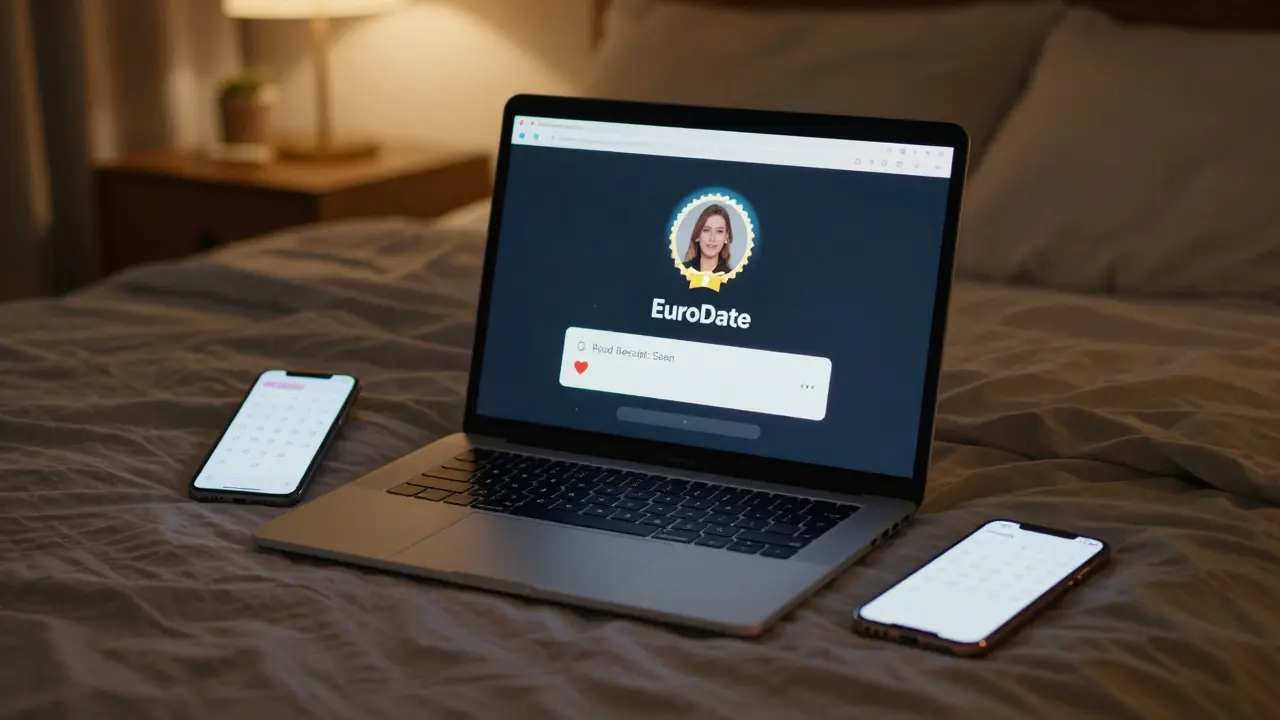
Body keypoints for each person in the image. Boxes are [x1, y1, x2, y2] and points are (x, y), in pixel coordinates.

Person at [682, 204, 734, 275]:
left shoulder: (732, 278)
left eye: (719, 231)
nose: (712, 238)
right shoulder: (680, 271)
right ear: (697, 235)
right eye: (706, 230)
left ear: (726, 238)